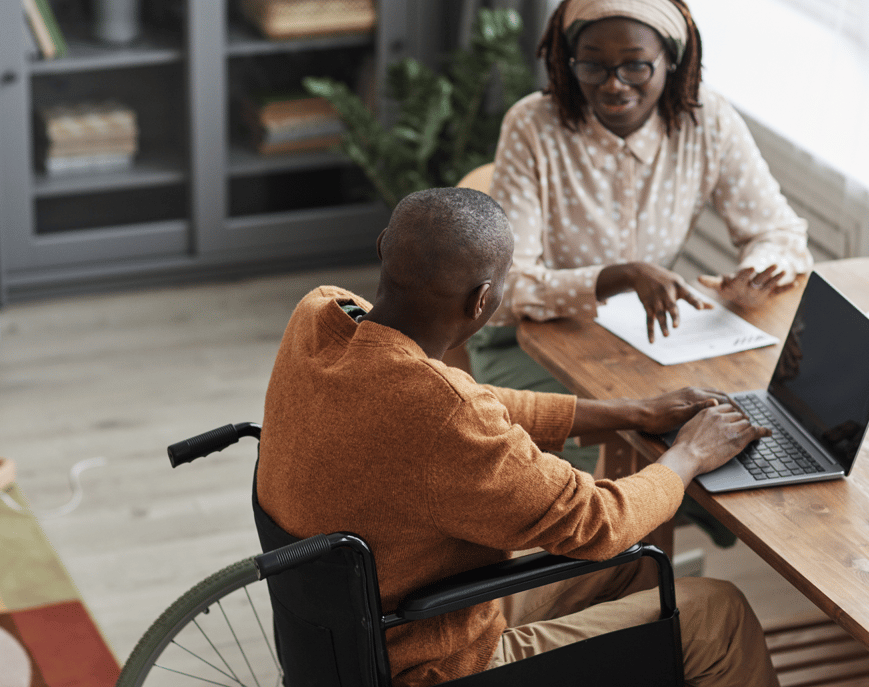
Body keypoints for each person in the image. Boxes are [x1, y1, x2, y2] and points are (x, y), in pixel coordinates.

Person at [257, 187, 779, 687]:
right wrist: (690, 454)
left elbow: (464, 399)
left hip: (361, 634)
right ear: (484, 299)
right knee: (717, 613)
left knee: (633, 564)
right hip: (438, 664)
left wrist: (633, 411)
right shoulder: (442, 416)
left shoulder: (321, 315)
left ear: (383, 248)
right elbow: (599, 521)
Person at [466, 0, 815, 536]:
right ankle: (627, 570)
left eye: (636, 65)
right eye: (592, 64)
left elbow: (780, 232)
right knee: (666, 442)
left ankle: (653, 564)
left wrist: (760, 267)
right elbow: (506, 295)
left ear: (671, 60)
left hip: (647, 341)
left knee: (726, 423)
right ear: (566, 60)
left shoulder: (707, 120)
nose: (614, 84)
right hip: (525, 341)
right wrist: (619, 275)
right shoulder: (533, 126)